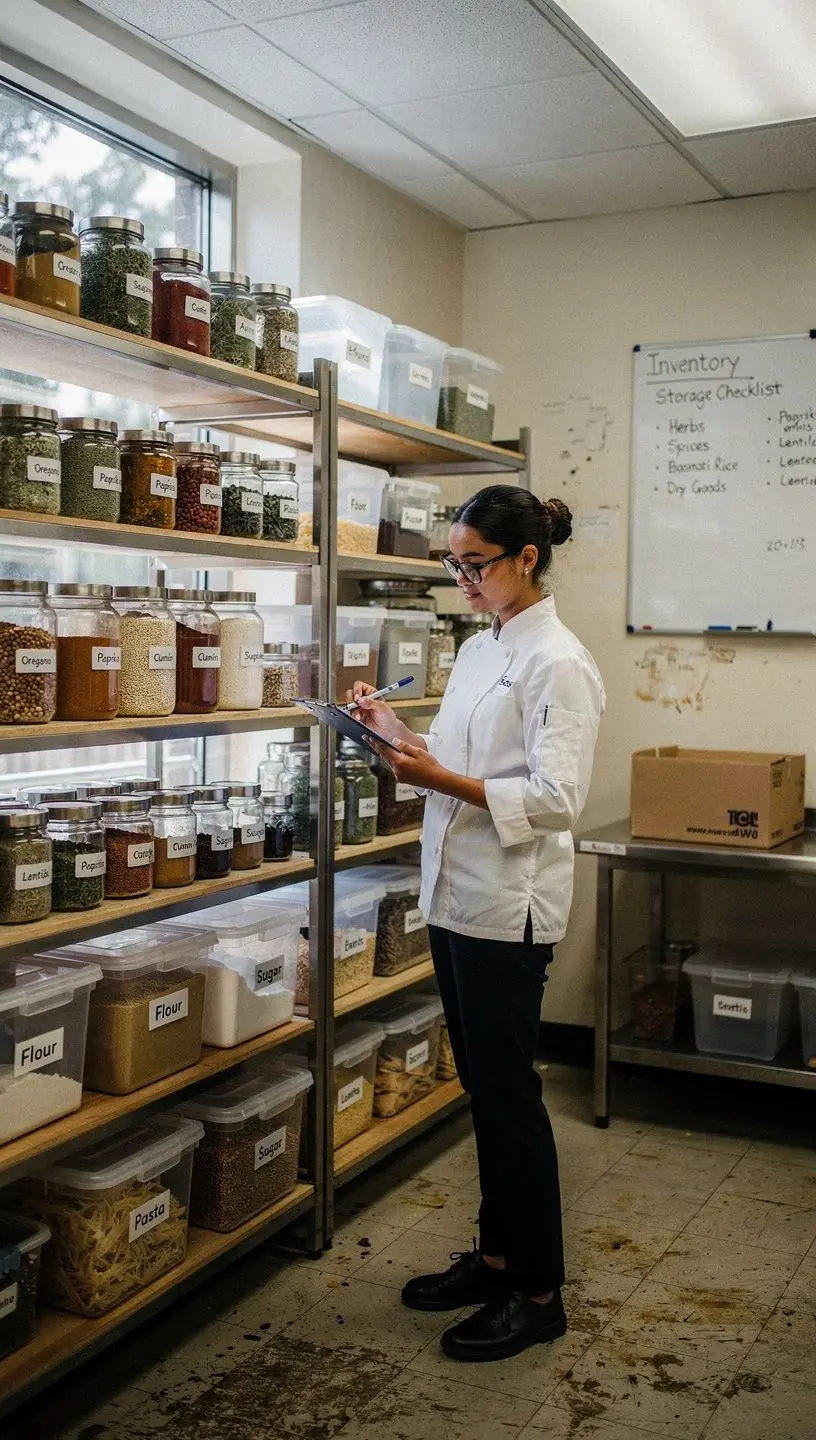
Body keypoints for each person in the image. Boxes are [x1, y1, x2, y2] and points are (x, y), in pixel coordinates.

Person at [348, 484, 605, 1364]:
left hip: (509, 904)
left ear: (525, 559)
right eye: (452, 563)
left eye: (474, 564)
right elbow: (463, 762)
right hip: (456, 894)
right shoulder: (476, 647)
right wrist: (392, 734)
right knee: (482, 1095)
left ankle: (536, 1291)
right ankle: (495, 1257)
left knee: (510, 1101)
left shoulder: (558, 662)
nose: (461, 578)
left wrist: (431, 780)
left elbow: (557, 800)